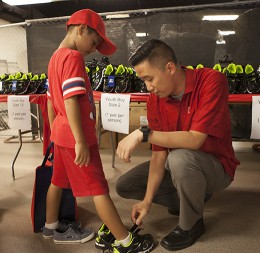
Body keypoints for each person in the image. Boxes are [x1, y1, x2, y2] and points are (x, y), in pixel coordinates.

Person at [44, 9, 154, 252]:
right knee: (97, 188)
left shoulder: (54, 58)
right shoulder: (72, 58)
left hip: (61, 134)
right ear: (82, 29)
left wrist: (55, 132)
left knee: (57, 181)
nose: (93, 49)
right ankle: (125, 241)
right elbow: (71, 100)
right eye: (94, 42)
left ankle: (50, 227)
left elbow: (51, 100)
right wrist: (80, 141)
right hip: (75, 137)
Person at [115, 39, 240, 251]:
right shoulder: (155, 100)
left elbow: (194, 140)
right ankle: (191, 195)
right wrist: (146, 201)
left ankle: (191, 224)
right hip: (179, 166)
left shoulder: (211, 81)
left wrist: (143, 134)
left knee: (180, 157)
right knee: (125, 185)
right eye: (143, 81)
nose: (148, 87)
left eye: (150, 79)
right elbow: (158, 156)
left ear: (170, 68)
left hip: (216, 167)